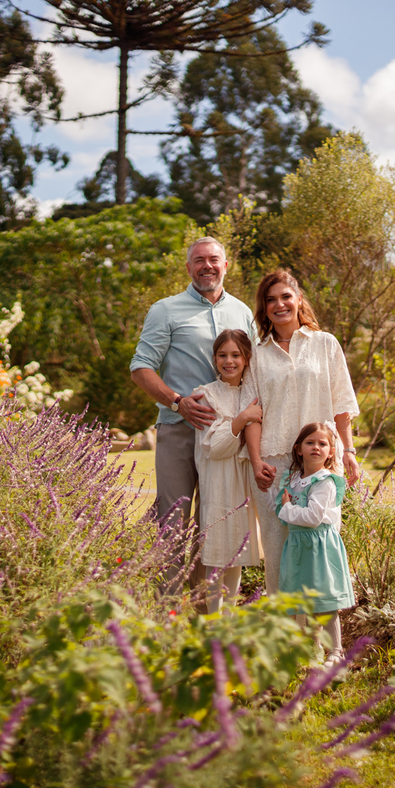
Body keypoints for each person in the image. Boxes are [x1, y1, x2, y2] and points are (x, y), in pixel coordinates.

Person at [130, 238, 256, 596]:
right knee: (172, 523)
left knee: (216, 523)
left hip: (228, 439)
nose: (207, 266)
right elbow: (140, 367)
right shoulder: (166, 310)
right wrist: (176, 402)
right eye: (199, 260)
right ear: (188, 267)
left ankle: (204, 614)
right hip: (180, 432)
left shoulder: (243, 312)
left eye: (214, 259)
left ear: (226, 265)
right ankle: (167, 612)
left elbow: (256, 370)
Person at [243, 269, 360, 595]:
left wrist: (349, 451)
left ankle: (321, 626)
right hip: (275, 466)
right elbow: (252, 416)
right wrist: (256, 462)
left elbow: (342, 404)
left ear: (298, 300)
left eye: (286, 296)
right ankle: (283, 626)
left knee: (319, 548)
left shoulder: (325, 343)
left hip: (321, 464)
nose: (279, 304)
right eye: (271, 300)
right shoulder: (257, 353)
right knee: (278, 553)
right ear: (264, 307)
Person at [192, 329, 264, 613]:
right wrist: (243, 418)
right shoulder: (206, 395)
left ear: (247, 358)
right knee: (217, 554)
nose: (229, 361)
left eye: (236, 355)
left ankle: (229, 622)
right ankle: (213, 622)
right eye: (222, 355)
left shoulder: (253, 393)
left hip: (243, 482)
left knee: (236, 553)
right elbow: (215, 446)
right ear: (214, 359)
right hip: (218, 480)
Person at [275, 422, 354, 666]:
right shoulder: (293, 480)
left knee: (324, 600)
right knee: (299, 598)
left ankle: (336, 651)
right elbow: (280, 509)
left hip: (320, 546)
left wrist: (288, 508)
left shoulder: (325, 482)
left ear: (331, 452)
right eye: (310, 443)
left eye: (322, 444)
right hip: (297, 546)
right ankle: (304, 649)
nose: (316, 447)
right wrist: (285, 508)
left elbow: (312, 518)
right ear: (299, 449)